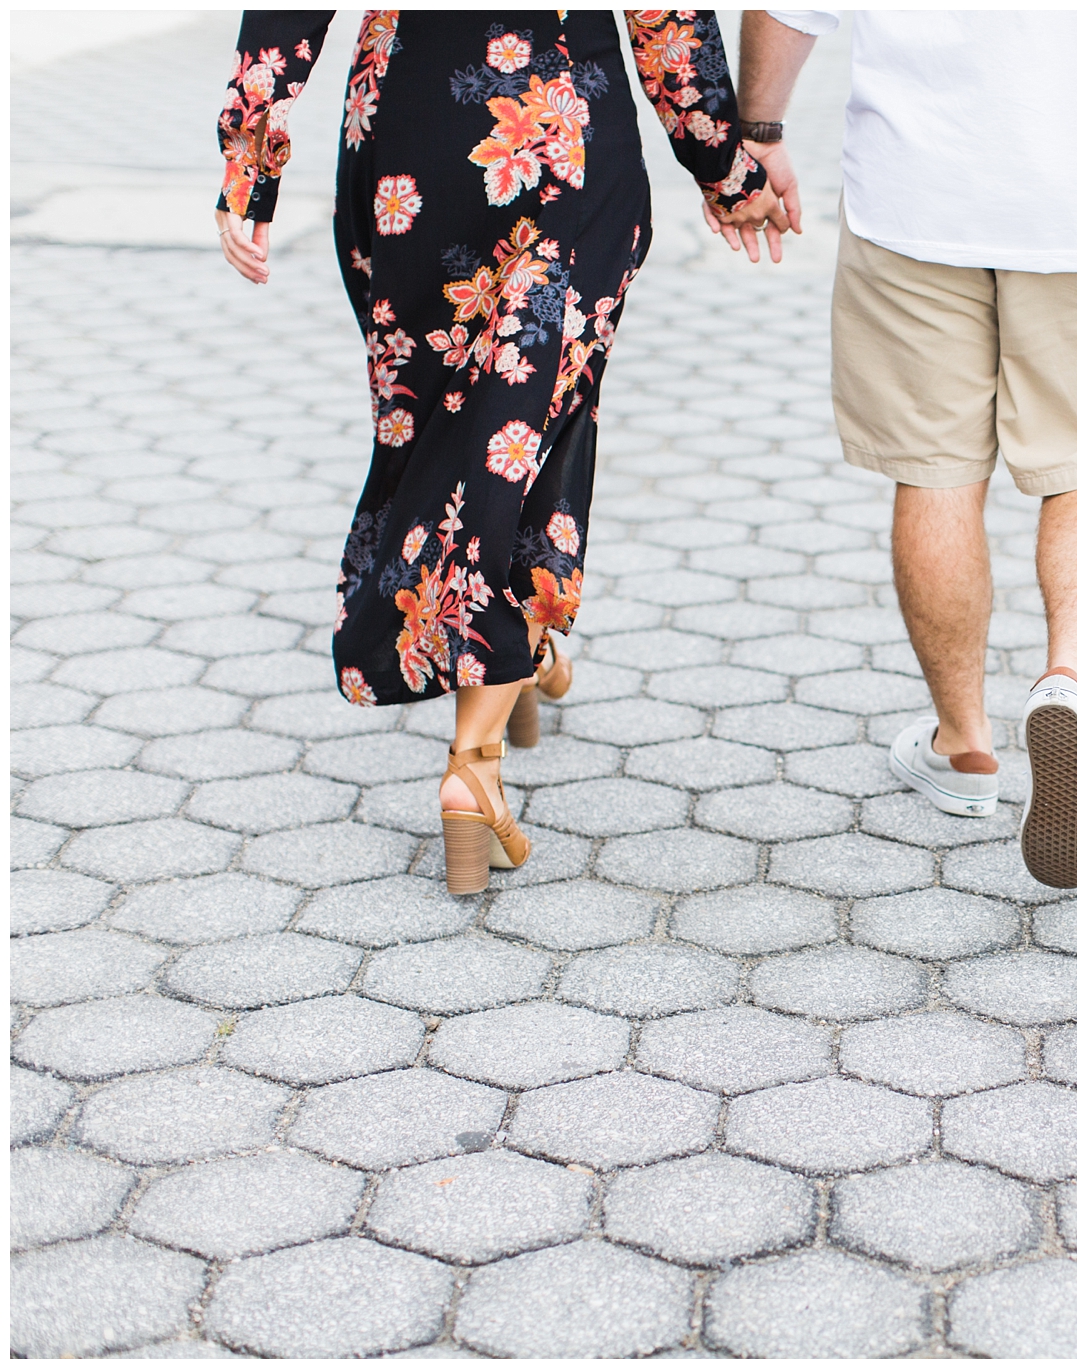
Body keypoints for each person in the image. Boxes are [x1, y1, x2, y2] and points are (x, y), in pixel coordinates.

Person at [214, 10, 782, 894]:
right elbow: (663, 17)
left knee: (442, 422)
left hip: (407, 131)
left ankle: (514, 650)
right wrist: (724, 163)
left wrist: (250, 156)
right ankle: (473, 757)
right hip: (560, 134)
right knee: (527, 423)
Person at [733, 10, 1077, 887]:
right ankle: (1067, 683)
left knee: (937, 469)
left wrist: (755, 129)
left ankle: (964, 746)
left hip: (919, 190)